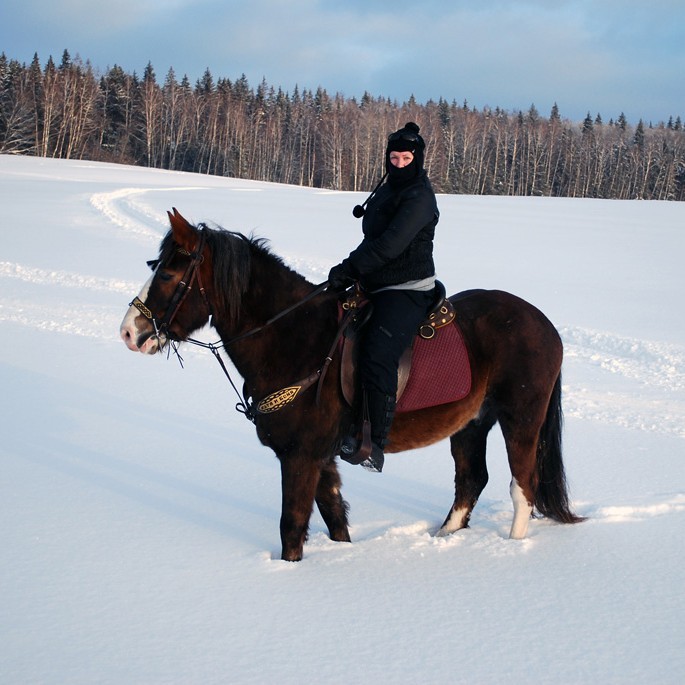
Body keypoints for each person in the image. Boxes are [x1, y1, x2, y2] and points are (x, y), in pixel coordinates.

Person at [327, 121, 439, 472]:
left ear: (417, 160)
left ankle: (374, 442)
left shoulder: (419, 197)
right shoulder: (387, 190)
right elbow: (373, 239)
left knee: (377, 353)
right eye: (394, 157)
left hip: (406, 287)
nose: (399, 163)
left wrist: (351, 267)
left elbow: (391, 245)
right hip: (374, 282)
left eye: (406, 158)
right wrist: (349, 271)